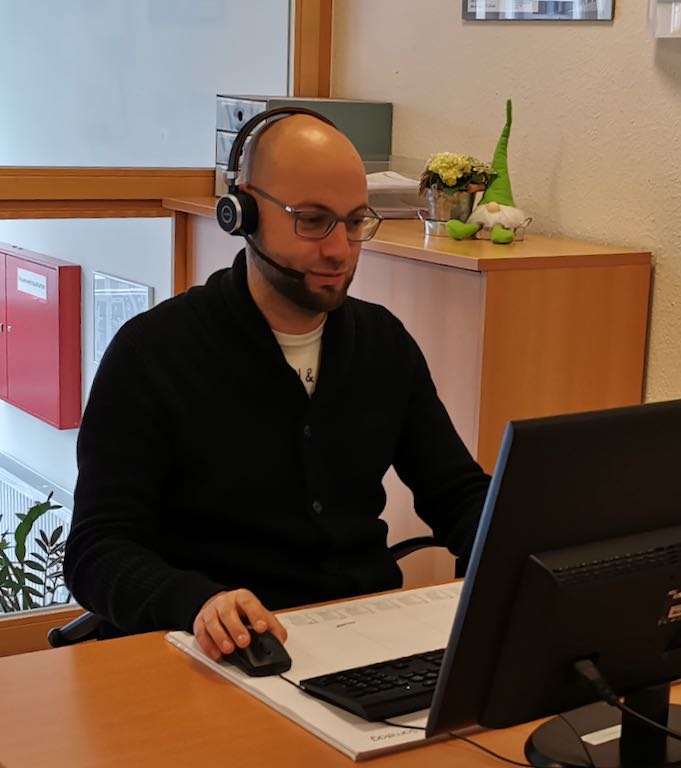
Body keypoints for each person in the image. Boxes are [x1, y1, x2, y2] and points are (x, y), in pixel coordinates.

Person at [65, 115, 490, 661]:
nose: (339, 249)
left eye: (355, 221)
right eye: (312, 221)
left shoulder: (383, 343)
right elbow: (95, 550)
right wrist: (197, 602)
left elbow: (456, 494)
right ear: (242, 212)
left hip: (362, 643)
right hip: (218, 657)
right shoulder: (153, 353)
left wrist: (527, 549)